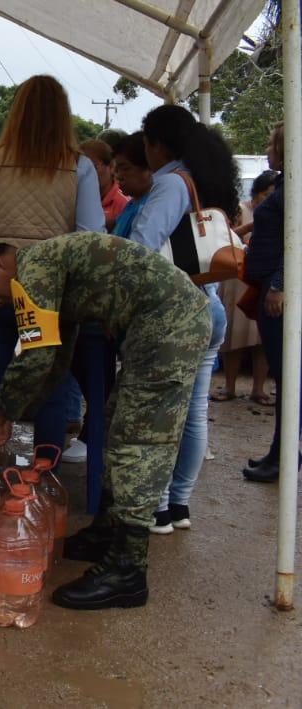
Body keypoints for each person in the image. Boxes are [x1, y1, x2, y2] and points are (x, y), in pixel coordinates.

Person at [0, 233, 210, 610]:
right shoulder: (49, 272)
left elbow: (36, 356)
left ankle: (127, 570)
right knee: (112, 427)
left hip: (170, 322)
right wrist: (15, 417)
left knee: (138, 441)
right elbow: (57, 358)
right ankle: (108, 532)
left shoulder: (33, 268)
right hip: (160, 321)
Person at [0, 74, 106, 458]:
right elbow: (90, 236)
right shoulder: (80, 167)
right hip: (50, 297)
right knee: (51, 391)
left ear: (15, 112)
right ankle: (41, 479)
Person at [127, 105, 238, 534]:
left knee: (161, 411)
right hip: (210, 308)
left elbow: (143, 245)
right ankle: (178, 505)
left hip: (177, 312)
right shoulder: (207, 178)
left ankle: (156, 508)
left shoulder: (171, 182)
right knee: (193, 412)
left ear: (156, 144)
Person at [244, 124, 297, 483]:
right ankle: (281, 452)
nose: (267, 149)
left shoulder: (293, 186)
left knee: (287, 378)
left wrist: (278, 284)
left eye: (270, 143)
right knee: (285, 377)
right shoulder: (283, 184)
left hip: (278, 291)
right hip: (269, 284)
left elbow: (295, 239)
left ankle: (284, 455)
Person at [213, 169, 277, 404]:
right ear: (257, 193)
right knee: (234, 337)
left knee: (261, 339)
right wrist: (250, 228)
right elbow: (226, 237)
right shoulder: (242, 209)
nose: (269, 199)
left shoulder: (277, 213)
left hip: (261, 281)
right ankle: (229, 386)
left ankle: (258, 389)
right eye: (266, 194)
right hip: (237, 279)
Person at [110, 131, 153, 240]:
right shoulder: (132, 204)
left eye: (125, 169)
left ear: (150, 168)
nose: (118, 176)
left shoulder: (149, 209)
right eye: (117, 169)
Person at [81, 138, 130, 232]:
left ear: (111, 167)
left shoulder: (124, 202)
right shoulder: (77, 198)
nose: (85, 174)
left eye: (93, 167)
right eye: (80, 169)